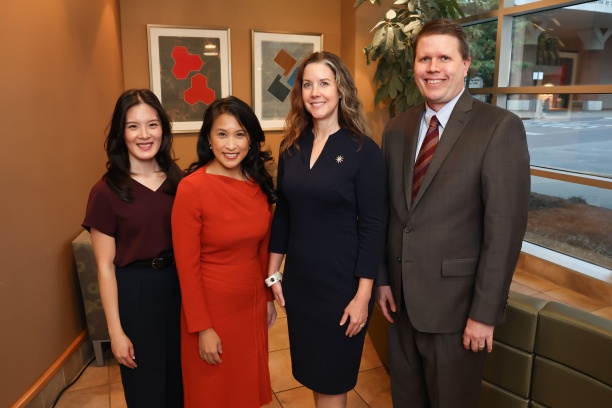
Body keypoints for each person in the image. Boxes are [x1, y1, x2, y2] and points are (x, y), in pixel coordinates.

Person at [377, 19, 531, 407]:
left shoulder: (499, 128)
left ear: (465, 65)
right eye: (424, 59)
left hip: (457, 313)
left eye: (444, 58)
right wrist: (382, 279)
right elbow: (387, 213)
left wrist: (484, 314)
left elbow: (504, 231)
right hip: (400, 307)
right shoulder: (396, 129)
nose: (433, 68)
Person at [267, 51, 387, 408]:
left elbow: (373, 227)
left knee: (333, 379)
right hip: (301, 284)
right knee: (313, 374)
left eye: (324, 83)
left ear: (340, 90)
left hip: (342, 286)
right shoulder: (291, 147)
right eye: (307, 84)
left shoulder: (363, 151)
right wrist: (272, 275)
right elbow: (283, 214)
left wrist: (363, 296)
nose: (315, 92)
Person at [171, 96, 276, 407]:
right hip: (211, 309)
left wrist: (268, 298)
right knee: (212, 393)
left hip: (250, 304)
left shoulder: (258, 185)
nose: (231, 145)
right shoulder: (191, 188)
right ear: (208, 138)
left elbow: (263, 250)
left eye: (240, 134)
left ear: (251, 140)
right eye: (222, 134)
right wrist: (202, 327)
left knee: (245, 390)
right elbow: (186, 267)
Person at [83, 89, 184, 407]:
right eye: (133, 126)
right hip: (136, 295)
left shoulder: (180, 182)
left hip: (180, 290)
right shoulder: (105, 192)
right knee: (146, 391)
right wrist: (115, 332)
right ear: (120, 133)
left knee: (183, 386)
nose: (144, 135)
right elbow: (104, 268)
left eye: (152, 124)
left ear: (163, 129)